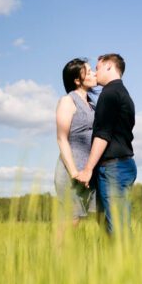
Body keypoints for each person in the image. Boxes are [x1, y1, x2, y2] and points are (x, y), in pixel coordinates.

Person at [76, 53, 136, 235]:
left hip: (113, 168)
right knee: (115, 225)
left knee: (117, 228)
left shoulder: (109, 94)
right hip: (122, 166)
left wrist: (87, 169)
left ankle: (124, 262)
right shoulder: (123, 94)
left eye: (98, 67)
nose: (95, 72)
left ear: (109, 67)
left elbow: (103, 135)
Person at [54, 58, 98, 230]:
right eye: (88, 72)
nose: (94, 73)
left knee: (101, 218)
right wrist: (74, 173)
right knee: (71, 223)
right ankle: (57, 257)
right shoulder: (67, 101)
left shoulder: (93, 106)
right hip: (71, 173)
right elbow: (61, 138)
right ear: (77, 80)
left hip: (88, 174)